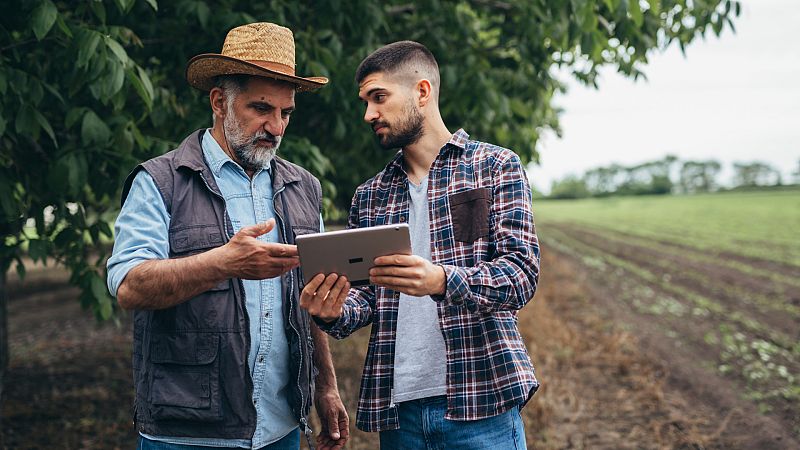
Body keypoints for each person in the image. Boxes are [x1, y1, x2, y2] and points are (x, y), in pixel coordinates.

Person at [107, 23, 349, 450]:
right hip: (185, 433)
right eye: (261, 108)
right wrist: (224, 262)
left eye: (285, 112)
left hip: (281, 428)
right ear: (219, 101)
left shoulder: (303, 186)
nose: (275, 126)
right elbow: (129, 286)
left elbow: (311, 298)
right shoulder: (161, 180)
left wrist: (325, 387)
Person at [299, 41, 540, 449]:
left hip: (482, 401)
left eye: (378, 98)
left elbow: (521, 274)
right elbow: (368, 299)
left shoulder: (495, 167)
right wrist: (333, 311)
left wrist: (443, 280)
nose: (368, 114)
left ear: (422, 92)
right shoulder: (369, 195)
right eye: (365, 102)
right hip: (400, 413)